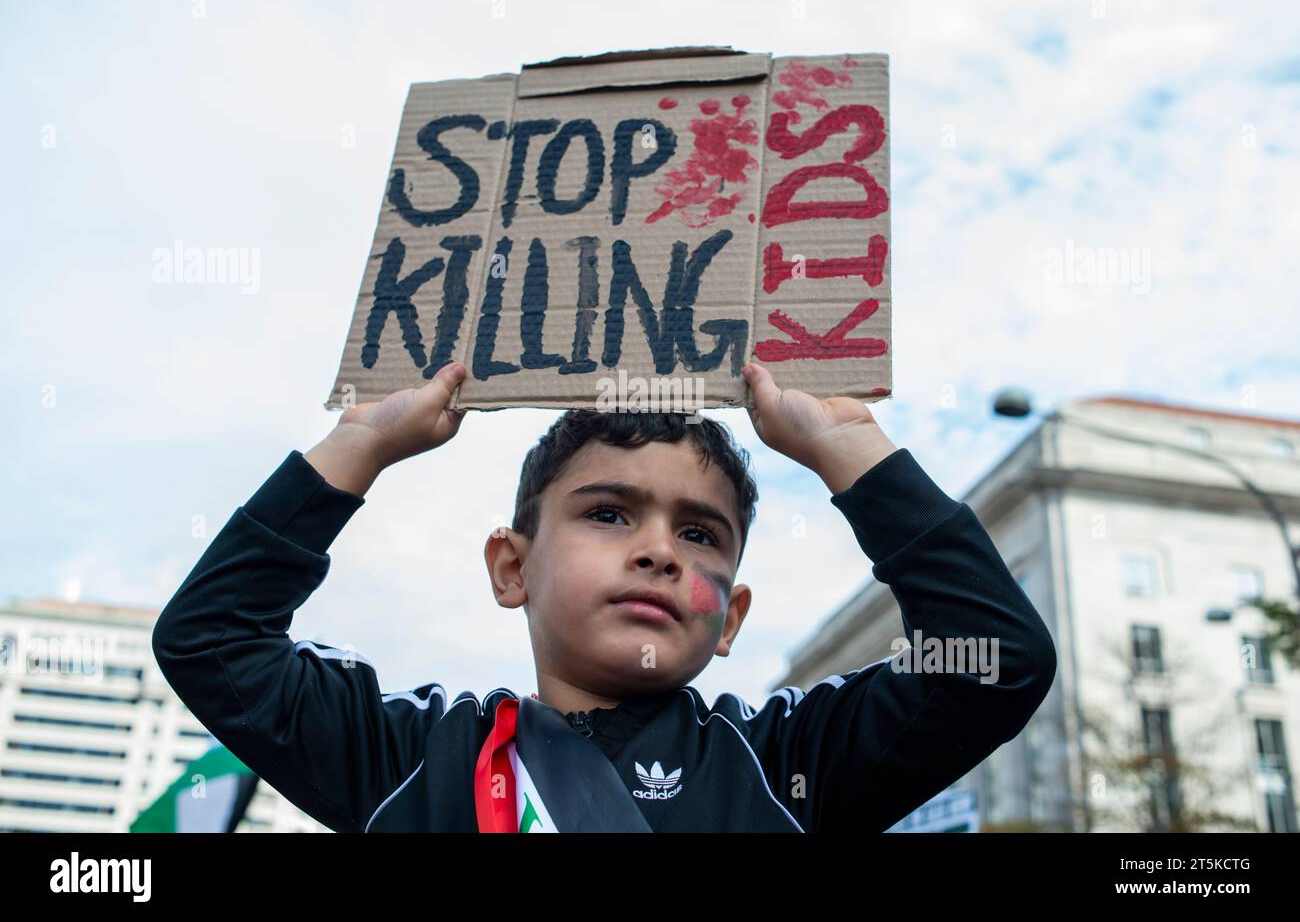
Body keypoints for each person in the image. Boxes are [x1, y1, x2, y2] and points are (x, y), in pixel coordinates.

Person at [152, 361, 1057, 832]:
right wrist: (357, 447)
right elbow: (210, 640)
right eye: (610, 513)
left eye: (700, 534)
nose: (660, 549)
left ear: (730, 614)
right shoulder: (411, 758)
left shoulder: (789, 763)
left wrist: (849, 452)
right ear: (512, 567)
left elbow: (1001, 661)